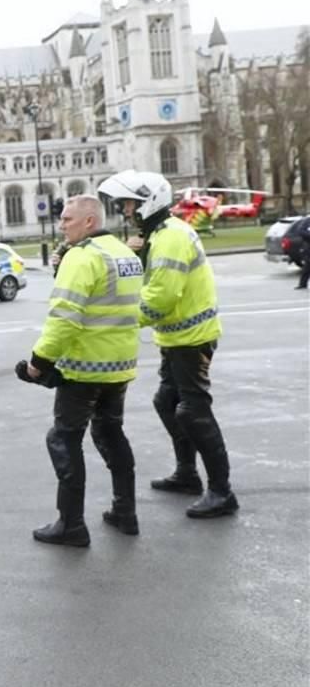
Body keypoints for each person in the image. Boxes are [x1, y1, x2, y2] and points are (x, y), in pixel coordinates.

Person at [98, 170, 238, 519]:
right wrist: (139, 256)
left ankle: (222, 492)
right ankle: (188, 474)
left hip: (192, 340)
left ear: (149, 203)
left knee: (193, 411)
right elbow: (150, 281)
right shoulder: (160, 235)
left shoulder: (171, 237)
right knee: (167, 402)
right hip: (176, 339)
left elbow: (160, 297)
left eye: (131, 204)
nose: (127, 211)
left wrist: (119, 321)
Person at [20, 196, 143, 546]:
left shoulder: (83, 256)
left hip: (84, 370)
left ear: (89, 221)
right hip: (119, 368)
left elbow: (64, 319)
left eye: (68, 219)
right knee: (111, 434)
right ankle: (125, 512)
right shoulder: (124, 254)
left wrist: (38, 364)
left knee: (63, 439)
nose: (61, 224)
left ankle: (71, 524)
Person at [294, 217, 310, 290]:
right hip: (308, 247)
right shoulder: (307, 221)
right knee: (307, 266)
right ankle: (303, 284)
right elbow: (300, 231)